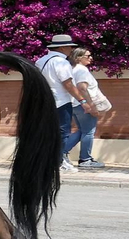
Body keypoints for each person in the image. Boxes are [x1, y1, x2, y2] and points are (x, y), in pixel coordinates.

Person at [35, 34, 85, 173]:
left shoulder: (41, 61)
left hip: (45, 101)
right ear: (62, 47)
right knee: (62, 132)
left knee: (47, 132)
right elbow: (68, 84)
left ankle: (46, 161)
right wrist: (83, 100)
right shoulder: (61, 62)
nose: (71, 49)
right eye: (69, 46)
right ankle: (58, 161)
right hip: (61, 101)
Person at [61, 45, 105, 171]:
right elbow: (82, 88)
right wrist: (90, 105)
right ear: (78, 58)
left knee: (82, 131)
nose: (91, 58)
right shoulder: (81, 70)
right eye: (88, 56)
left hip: (75, 105)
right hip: (83, 106)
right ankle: (85, 159)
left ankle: (61, 153)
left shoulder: (73, 69)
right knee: (89, 132)